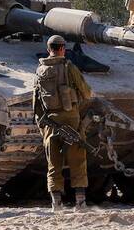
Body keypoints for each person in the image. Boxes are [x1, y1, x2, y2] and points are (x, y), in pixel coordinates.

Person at [34, 35, 93, 211]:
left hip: (50, 122)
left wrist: (42, 126)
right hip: (71, 120)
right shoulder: (69, 67)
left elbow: (36, 101)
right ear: (63, 49)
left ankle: (56, 203)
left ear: (48, 49)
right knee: (78, 160)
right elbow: (86, 93)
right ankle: (80, 202)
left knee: (54, 163)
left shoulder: (40, 70)